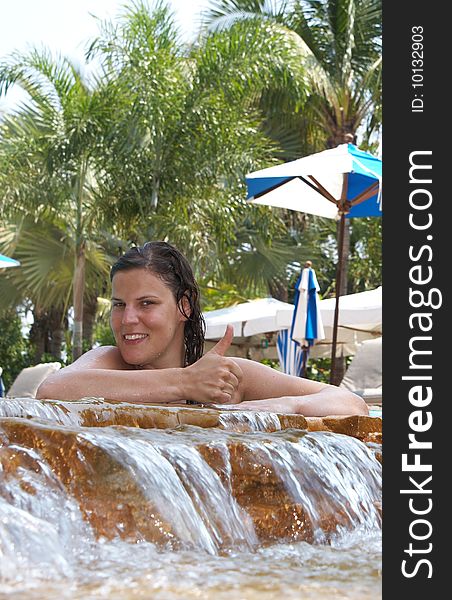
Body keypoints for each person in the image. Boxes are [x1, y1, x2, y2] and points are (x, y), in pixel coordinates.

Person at [36, 241, 368, 416]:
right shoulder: (110, 362)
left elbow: (349, 403)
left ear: (185, 305)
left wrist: (284, 406)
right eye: (120, 304)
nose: (127, 320)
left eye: (146, 303)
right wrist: (186, 383)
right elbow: (52, 390)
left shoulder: (229, 378)